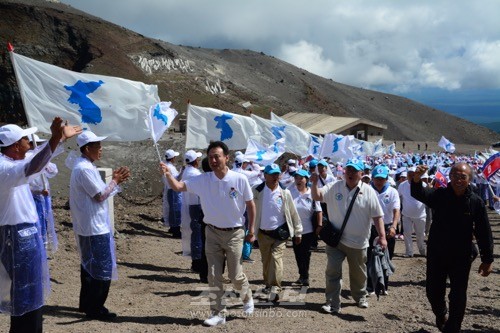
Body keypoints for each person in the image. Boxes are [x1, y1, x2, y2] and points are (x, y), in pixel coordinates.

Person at [161, 141, 255, 327]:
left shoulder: (239, 179)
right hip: (212, 232)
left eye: (216, 156)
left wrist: (251, 229)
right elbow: (178, 187)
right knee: (213, 275)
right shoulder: (203, 180)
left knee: (236, 275)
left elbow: (251, 205)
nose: (213, 160)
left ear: (226, 158)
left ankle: (247, 297)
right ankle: (218, 313)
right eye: (210, 157)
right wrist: (167, 174)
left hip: (235, 232)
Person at [0, 118, 81, 333]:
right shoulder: (3, 167)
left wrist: (59, 139)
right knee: (23, 293)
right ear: (16, 145)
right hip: (14, 237)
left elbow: (35, 158)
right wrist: (55, 138)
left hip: (23, 235)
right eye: (26, 139)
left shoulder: (12, 161)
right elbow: (33, 164)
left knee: (31, 293)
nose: (30, 142)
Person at [411, 163, 494, 332]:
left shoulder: (476, 202)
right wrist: (417, 179)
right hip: (437, 253)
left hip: (461, 255)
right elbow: (419, 192)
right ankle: (441, 313)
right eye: (455, 175)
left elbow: (484, 231)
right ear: (450, 176)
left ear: (469, 179)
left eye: (463, 176)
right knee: (433, 292)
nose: (458, 179)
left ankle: (453, 327)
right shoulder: (439, 195)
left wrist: (487, 259)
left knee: (458, 294)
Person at [311, 158, 387, 314]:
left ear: (361, 173)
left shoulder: (368, 191)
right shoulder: (335, 186)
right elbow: (318, 196)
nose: (350, 173)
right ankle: (332, 302)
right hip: (335, 240)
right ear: (344, 171)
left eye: (354, 171)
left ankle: (360, 297)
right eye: (348, 170)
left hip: (358, 243)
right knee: (332, 271)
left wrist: (382, 236)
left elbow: (377, 216)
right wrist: (313, 184)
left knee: (358, 273)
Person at [69, 130, 131, 320]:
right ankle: (95, 307)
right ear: (88, 149)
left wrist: (115, 182)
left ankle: (87, 304)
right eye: (98, 146)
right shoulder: (84, 169)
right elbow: (100, 195)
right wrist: (115, 180)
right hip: (94, 227)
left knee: (89, 267)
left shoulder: (85, 166)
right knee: (101, 268)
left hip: (89, 225)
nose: (101, 150)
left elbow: (101, 192)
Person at [253, 163, 302, 301]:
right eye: (272, 174)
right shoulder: (256, 191)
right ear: (265, 175)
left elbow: (293, 213)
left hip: (280, 233)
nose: (275, 177)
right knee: (266, 261)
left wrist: (298, 232)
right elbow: (249, 210)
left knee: (276, 259)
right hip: (263, 233)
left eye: (277, 174)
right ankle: (268, 284)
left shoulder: (285, 193)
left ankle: (275, 288)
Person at [366, 165, 400, 295]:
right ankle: (370, 285)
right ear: (372, 178)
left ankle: (384, 285)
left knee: (386, 257)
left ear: (386, 179)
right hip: (371, 227)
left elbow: (396, 211)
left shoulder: (392, 192)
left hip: (387, 228)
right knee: (369, 257)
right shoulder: (368, 190)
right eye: (377, 179)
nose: (379, 181)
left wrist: (394, 226)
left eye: (382, 179)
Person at [289, 169, 322, 286]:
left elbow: (318, 211)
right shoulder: (290, 192)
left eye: (301, 178)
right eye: (296, 178)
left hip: (308, 230)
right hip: (295, 230)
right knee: (298, 253)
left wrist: (319, 226)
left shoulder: (312, 193)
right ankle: (302, 275)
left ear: (306, 180)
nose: (298, 180)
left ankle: (305, 276)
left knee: (306, 254)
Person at [28, 134, 59, 253]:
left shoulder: (40, 159)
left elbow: (53, 171)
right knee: (36, 223)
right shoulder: (26, 159)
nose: (40, 147)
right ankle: (38, 248)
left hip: (43, 196)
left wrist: (45, 163)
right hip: (33, 197)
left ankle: (44, 248)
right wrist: (37, 191)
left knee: (44, 220)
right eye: (37, 144)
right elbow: (24, 184)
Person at [179, 150, 203, 272]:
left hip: (190, 204)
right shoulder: (194, 173)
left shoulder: (186, 172)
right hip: (196, 205)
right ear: (195, 161)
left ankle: (196, 260)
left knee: (194, 232)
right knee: (197, 233)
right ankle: (198, 261)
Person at [398, 167, 427, 257]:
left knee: (420, 235)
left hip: (420, 215)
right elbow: (398, 197)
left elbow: (427, 198)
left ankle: (422, 250)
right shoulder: (402, 185)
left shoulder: (423, 185)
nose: (410, 176)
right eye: (409, 174)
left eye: (413, 174)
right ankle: (409, 252)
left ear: (416, 175)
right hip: (406, 214)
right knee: (407, 234)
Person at [162, 149, 182, 238]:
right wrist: (182, 172)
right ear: (173, 158)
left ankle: (172, 226)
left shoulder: (164, 165)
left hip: (168, 188)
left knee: (170, 209)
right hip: (173, 189)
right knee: (175, 209)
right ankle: (175, 230)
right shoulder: (171, 168)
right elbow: (176, 179)